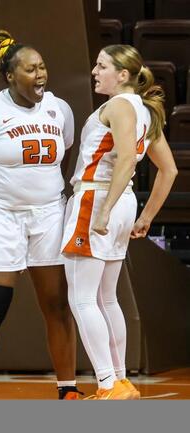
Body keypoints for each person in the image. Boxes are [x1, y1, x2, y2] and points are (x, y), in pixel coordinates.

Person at [0, 31, 79, 400]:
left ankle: (67, 388)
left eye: (42, 67)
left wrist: (47, 191)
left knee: (56, 303)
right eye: (30, 69)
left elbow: (62, 156)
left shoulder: (60, 108)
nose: (40, 75)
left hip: (49, 213)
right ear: (10, 76)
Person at [62, 44, 177, 400]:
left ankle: (108, 383)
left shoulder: (120, 105)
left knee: (82, 299)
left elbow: (127, 159)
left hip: (98, 199)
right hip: (120, 201)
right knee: (106, 298)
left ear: (122, 75)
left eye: (101, 66)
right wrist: (145, 216)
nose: (95, 71)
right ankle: (120, 381)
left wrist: (105, 210)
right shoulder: (143, 110)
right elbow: (168, 170)